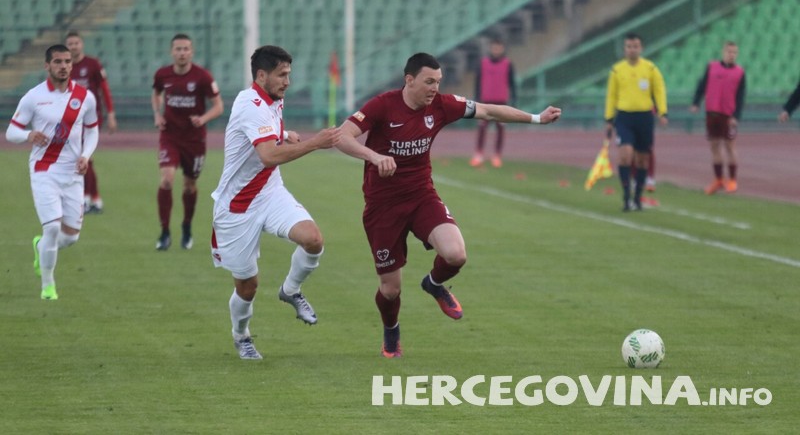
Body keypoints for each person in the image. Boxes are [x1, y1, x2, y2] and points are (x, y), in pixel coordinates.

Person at [335, 52, 561, 358]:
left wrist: (536, 118)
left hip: (421, 196)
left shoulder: (441, 105)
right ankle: (391, 332)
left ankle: (434, 283)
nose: (434, 88)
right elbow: (341, 137)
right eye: (429, 82)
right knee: (390, 290)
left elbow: (488, 111)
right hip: (382, 205)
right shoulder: (383, 105)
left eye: (438, 82)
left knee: (456, 254)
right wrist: (374, 157)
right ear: (409, 80)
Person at [210, 45, 341, 360]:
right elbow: (267, 156)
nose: (288, 82)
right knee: (247, 286)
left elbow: (267, 138)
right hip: (237, 207)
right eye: (282, 75)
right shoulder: (251, 105)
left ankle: (291, 290)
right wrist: (314, 143)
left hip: (269, 192)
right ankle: (241, 336)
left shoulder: (270, 100)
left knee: (313, 239)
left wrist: (287, 134)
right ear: (261, 75)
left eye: (289, 75)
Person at [5, 44, 99, 300]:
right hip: (43, 170)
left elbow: (92, 130)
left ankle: (40, 246)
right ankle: (48, 286)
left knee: (70, 238)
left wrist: (85, 155)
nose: (63, 66)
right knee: (52, 228)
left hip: (73, 175)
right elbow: (11, 131)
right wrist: (28, 134)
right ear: (47, 66)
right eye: (57, 61)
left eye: (67, 61)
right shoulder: (33, 97)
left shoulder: (85, 97)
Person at [152, 33, 223, 251]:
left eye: (186, 49)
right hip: (170, 136)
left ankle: (186, 226)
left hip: (194, 140)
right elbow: (156, 93)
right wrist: (157, 113)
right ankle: (164, 232)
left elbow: (218, 106)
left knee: (190, 185)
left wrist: (202, 118)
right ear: (171, 52)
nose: (182, 53)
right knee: (166, 180)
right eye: (178, 49)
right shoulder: (162, 75)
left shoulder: (202, 77)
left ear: (192, 52)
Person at [604, 33, 668, 211]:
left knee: (642, 160)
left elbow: (659, 90)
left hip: (644, 117)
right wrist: (609, 118)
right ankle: (626, 196)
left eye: (636, 46)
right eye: (629, 47)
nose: (632, 50)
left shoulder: (650, 69)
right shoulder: (617, 70)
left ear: (641, 48)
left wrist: (663, 111)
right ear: (625, 49)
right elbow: (611, 96)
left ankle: (638, 197)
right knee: (625, 154)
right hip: (624, 117)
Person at [65, 31, 117, 213]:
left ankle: (87, 199)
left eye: (76, 43)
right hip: (71, 120)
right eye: (70, 44)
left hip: (91, 119)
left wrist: (111, 114)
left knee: (84, 158)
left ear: (82, 44)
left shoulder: (92, 64)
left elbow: (104, 89)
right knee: (85, 159)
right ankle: (94, 199)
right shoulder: (64, 67)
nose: (73, 46)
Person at [690, 41, 746, 194]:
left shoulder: (740, 72)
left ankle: (732, 179)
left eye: (734, 52)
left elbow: (741, 96)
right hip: (712, 112)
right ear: (723, 52)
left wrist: (736, 116)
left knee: (730, 146)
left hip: (728, 115)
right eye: (729, 52)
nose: (731, 55)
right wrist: (696, 102)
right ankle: (719, 179)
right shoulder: (712, 67)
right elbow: (702, 85)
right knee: (714, 146)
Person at [469, 38, 516, 168]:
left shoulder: (508, 64)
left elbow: (512, 83)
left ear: (502, 49)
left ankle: (497, 155)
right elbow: (478, 82)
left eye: (499, 47)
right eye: (494, 47)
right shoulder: (483, 63)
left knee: (500, 128)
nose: (496, 50)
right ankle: (478, 154)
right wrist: (476, 99)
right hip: (485, 102)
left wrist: (513, 99)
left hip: (501, 102)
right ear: (491, 48)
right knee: (482, 128)